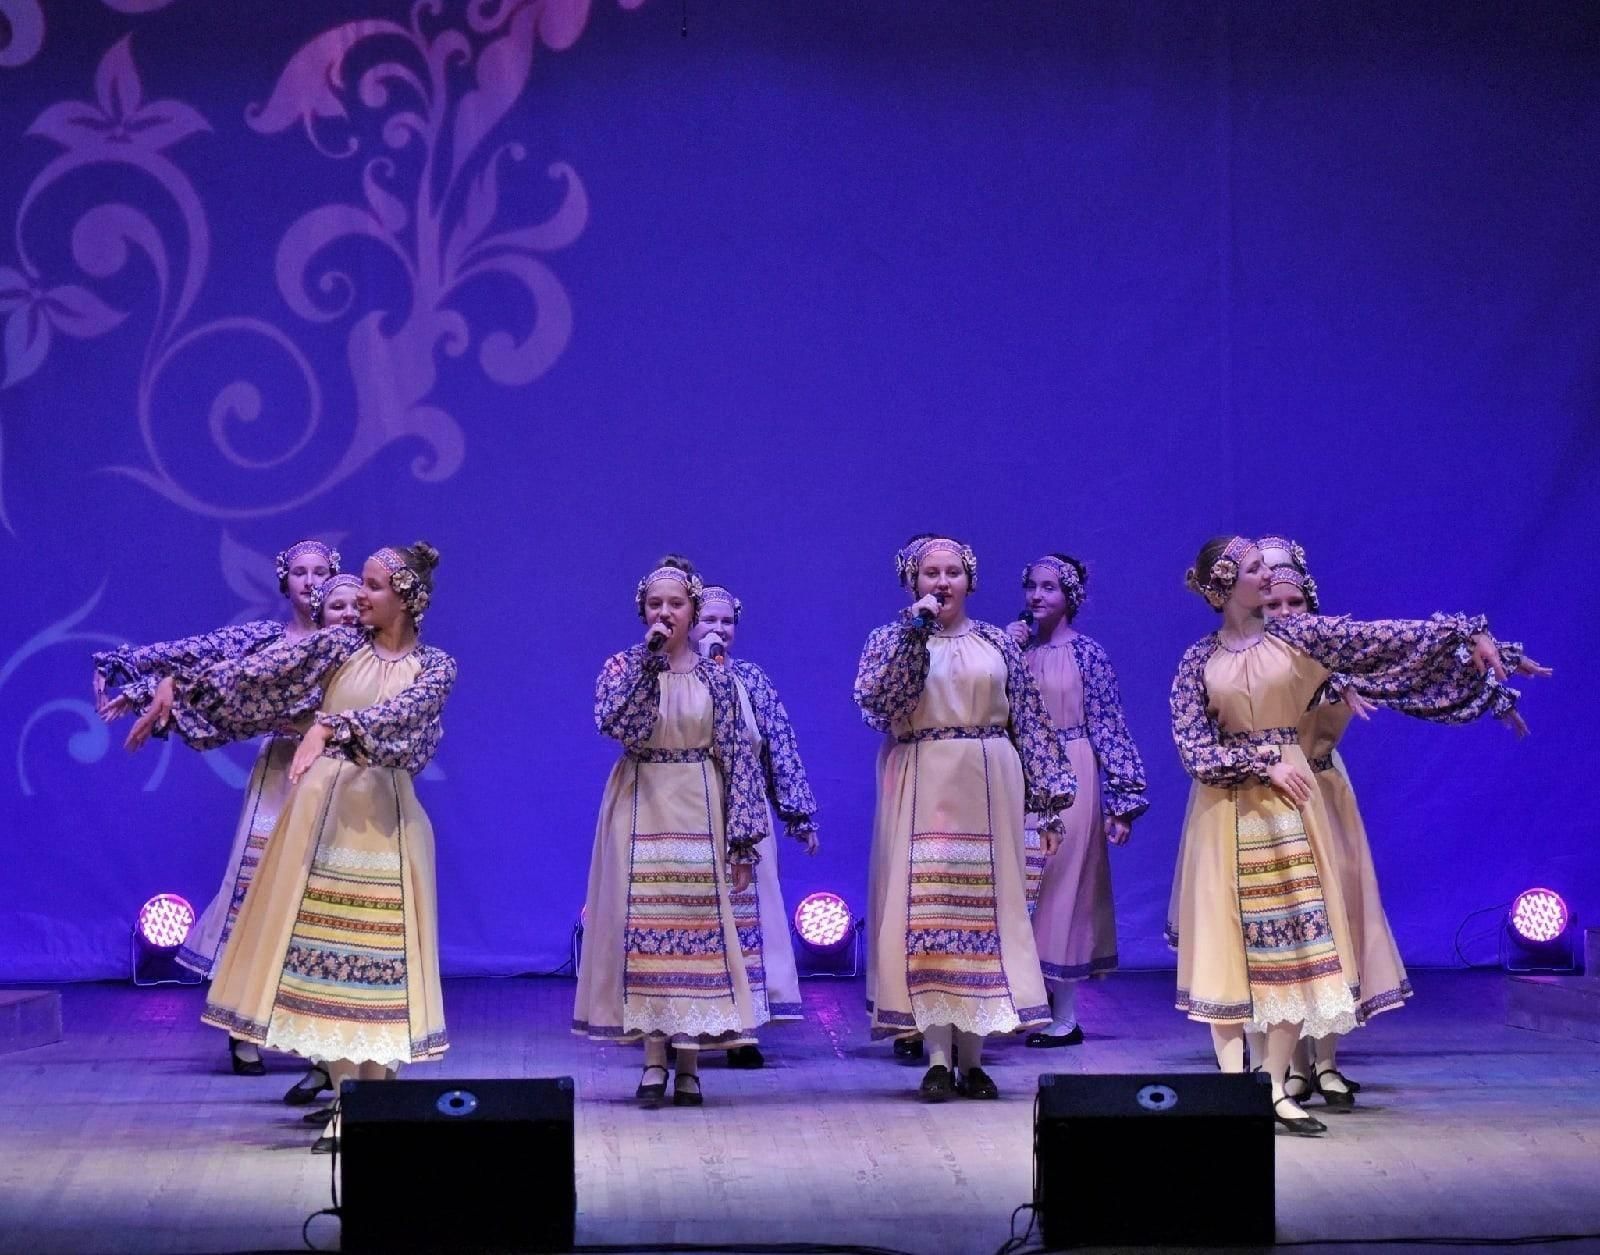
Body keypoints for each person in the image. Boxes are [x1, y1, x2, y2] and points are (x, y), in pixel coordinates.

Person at [1169, 535, 1535, 1136]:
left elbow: (1385, 640)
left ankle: (1274, 1086)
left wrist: (1469, 635)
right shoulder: (1196, 661)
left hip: (1290, 811)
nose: (1268, 577)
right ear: (1226, 584)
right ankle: (1234, 1089)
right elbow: (1193, 747)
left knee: (1297, 947)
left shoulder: (1301, 637)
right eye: (1255, 569)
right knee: (1226, 948)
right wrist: (1263, 762)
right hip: (1224, 812)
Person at [126, 542, 455, 1153]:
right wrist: (174, 684)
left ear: (407, 598)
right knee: (327, 963)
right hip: (323, 819)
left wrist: (331, 727)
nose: (359, 596)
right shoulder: (338, 647)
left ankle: (376, 1107)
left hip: (385, 824)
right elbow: (256, 678)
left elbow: (404, 722)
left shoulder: (434, 667)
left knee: (380, 968)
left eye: (374, 586)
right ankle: (349, 1103)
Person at [1255, 539, 1550, 1107]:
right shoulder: (1250, 661)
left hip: (1326, 792)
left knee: (1340, 919)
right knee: (1292, 927)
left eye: (1296, 603)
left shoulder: (1339, 651)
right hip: (1275, 799)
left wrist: (1492, 673)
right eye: (1273, 605)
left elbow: (1409, 660)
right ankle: (1290, 1066)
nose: (1285, 614)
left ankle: (1326, 1060)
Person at [94, 538, 339, 1078]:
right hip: (283, 774)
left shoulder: (351, 641)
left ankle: (323, 1038)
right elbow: (204, 658)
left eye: (321, 571)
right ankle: (242, 1028)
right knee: (256, 894)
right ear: (285, 582)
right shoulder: (266, 639)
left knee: (319, 900)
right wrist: (144, 677)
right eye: (300, 572)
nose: (311, 581)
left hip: (337, 776)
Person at [854, 535, 1075, 1101]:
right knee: (930, 914)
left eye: (952, 572)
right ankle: (935, 1055)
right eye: (931, 573)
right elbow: (880, 705)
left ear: (969, 581)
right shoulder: (892, 640)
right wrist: (915, 631)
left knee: (983, 917)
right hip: (924, 776)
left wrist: (1050, 804)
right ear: (913, 582)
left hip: (989, 779)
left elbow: (1029, 721)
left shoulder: (996, 641)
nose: (942, 582)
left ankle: (972, 1059)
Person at [572, 558, 770, 1108]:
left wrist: (743, 841)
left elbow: (738, 757)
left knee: (696, 933)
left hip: (698, 803)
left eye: (675, 604)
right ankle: (653, 1059)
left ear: (692, 611)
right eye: (655, 604)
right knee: (646, 933)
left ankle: (689, 1063)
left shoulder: (717, 677)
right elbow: (620, 726)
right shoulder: (622, 667)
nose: (665, 612)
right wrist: (647, 662)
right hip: (641, 803)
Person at [1008, 554, 1148, 1047]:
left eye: (1049, 587)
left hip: (1073, 770)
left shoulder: (1088, 654)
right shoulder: (1014, 649)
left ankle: (1064, 1016)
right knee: (1021, 887)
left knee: (1063, 888)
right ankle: (1025, 1003)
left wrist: (1123, 799)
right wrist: (1006, 649)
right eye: (1032, 585)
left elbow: (1108, 724)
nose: (1037, 595)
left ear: (1070, 596)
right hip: (1020, 771)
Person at [692, 584, 820, 1067]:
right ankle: (691, 1019)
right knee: (698, 915)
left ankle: (744, 1028)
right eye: (709, 620)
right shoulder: (675, 675)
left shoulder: (751, 679)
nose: (718, 629)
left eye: (727, 621)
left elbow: (779, 747)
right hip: (693, 805)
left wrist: (798, 814)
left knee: (749, 915)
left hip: (746, 811)